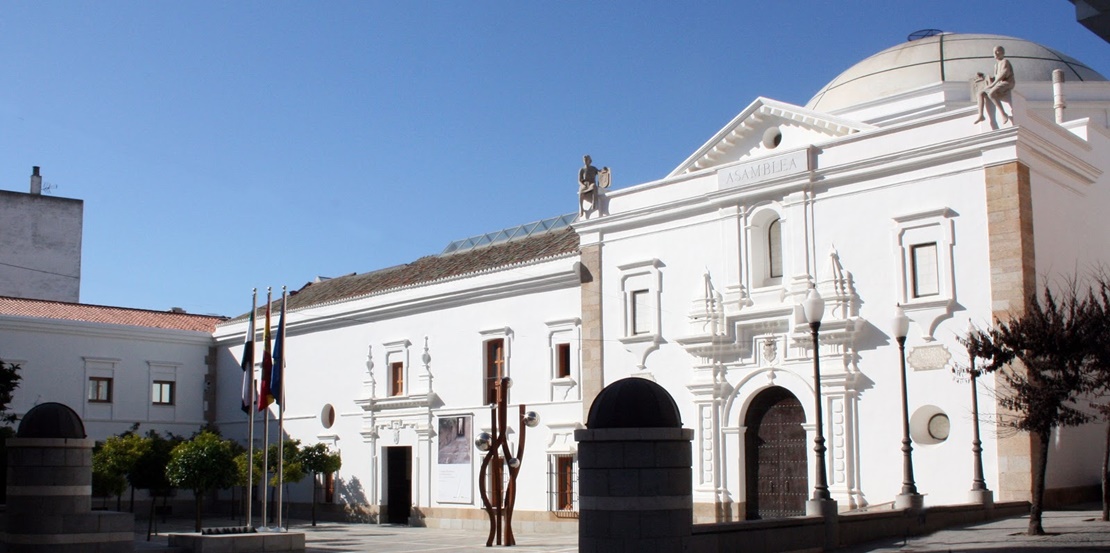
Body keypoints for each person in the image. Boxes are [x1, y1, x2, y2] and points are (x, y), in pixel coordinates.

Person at [973, 46, 1015, 124]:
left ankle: (1003, 114)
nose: (995, 53)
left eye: (997, 51)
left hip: (1007, 83)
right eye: (994, 51)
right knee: (980, 93)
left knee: (992, 93)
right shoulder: (996, 65)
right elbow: (996, 77)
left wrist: (993, 84)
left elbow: (1003, 74)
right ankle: (981, 115)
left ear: (1002, 53)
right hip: (999, 83)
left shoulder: (1005, 61)